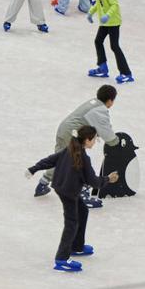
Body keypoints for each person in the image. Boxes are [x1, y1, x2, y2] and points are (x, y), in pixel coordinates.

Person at [26, 125, 119, 272]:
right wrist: (108, 179)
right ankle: (61, 259)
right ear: (87, 140)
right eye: (95, 139)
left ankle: (77, 246)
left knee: (83, 211)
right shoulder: (83, 157)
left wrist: (34, 169)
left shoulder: (71, 149)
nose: (95, 142)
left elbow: (51, 160)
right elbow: (93, 182)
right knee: (72, 224)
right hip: (68, 192)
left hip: (62, 186)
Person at [33, 85, 121, 201]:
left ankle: (42, 184)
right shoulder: (100, 110)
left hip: (63, 129)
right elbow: (107, 133)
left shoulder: (93, 103)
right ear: (110, 101)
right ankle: (83, 195)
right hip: (72, 134)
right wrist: (116, 141)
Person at [87, 0, 133, 84]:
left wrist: (107, 15)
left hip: (113, 22)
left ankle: (126, 73)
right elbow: (98, 3)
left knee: (114, 46)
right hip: (105, 23)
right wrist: (90, 13)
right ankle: (103, 67)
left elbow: (114, 5)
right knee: (98, 41)